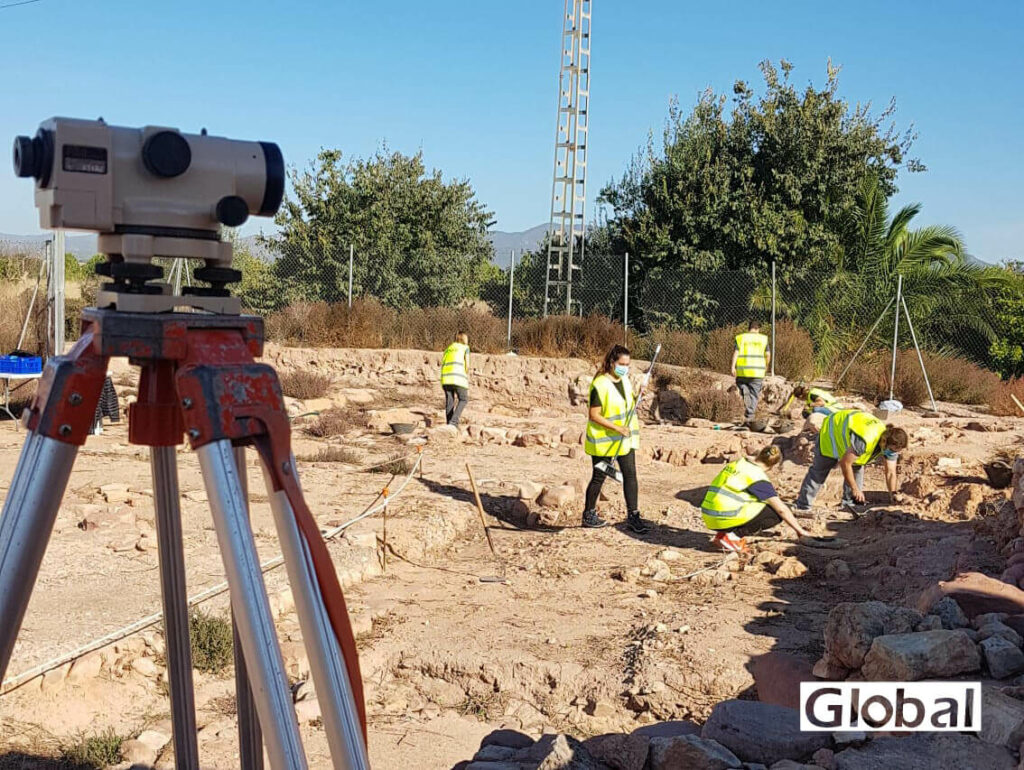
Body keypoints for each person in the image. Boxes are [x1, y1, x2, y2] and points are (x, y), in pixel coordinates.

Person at [582, 345, 650, 533]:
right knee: (599, 477)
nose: (625, 367)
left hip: (624, 440)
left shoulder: (625, 381)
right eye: (622, 364)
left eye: (628, 364)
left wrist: (639, 396)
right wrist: (616, 428)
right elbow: (594, 415)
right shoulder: (600, 384)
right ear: (612, 362)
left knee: (630, 475)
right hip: (603, 441)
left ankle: (633, 516)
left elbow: (627, 403)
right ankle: (588, 514)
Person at [701, 445, 813, 553]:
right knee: (774, 513)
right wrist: (800, 530)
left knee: (756, 503)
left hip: (708, 514)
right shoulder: (757, 477)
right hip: (723, 516)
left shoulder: (738, 464)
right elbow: (781, 509)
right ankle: (732, 536)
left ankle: (722, 534)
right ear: (773, 465)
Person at [795, 409, 908, 513]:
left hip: (850, 438)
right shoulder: (865, 440)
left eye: (896, 451)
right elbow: (845, 464)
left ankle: (849, 506)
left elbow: (891, 472)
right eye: (891, 450)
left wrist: (892, 493)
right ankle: (803, 506)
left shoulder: (889, 444)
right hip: (831, 432)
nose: (892, 453)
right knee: (819, 472)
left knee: (857, 467)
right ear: (884, 442)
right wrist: (855, 489)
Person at [731, 321, 771, 423]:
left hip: (743, 371)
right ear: (758, 329)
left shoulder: (741, 338)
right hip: (757, 372)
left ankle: (744, 389)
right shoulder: (763, 338)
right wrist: (766, 366)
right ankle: (750, 416)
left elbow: (736, 352)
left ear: (749, 328)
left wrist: (733, 367)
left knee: (741, 384)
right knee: (754, 394)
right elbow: (768, 355)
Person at [440, 332, 471, 426]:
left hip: (445, 379)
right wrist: (465, 373)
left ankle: (449, 423)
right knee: (463, 399)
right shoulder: (465, 348)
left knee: (450, 402)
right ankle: (453, 422)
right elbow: (467, 365)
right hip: (458, 378)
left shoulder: (448, 349)